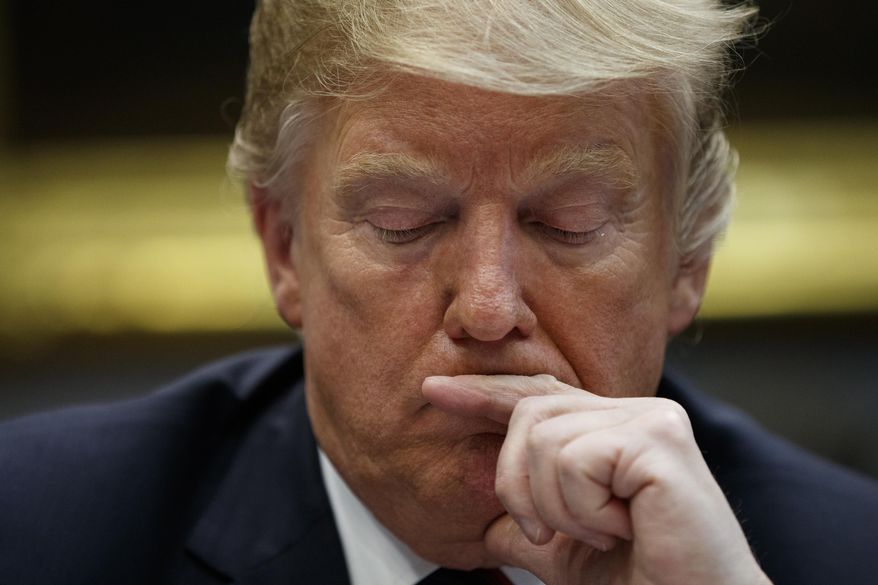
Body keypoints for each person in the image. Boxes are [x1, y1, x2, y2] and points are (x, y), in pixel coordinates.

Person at [1, 1, 876, 584]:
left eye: (566, 225)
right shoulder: (36, 531)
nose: (489, 309)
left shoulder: (844, 553)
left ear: (686, 262)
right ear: (282, 245)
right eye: (402, 222)